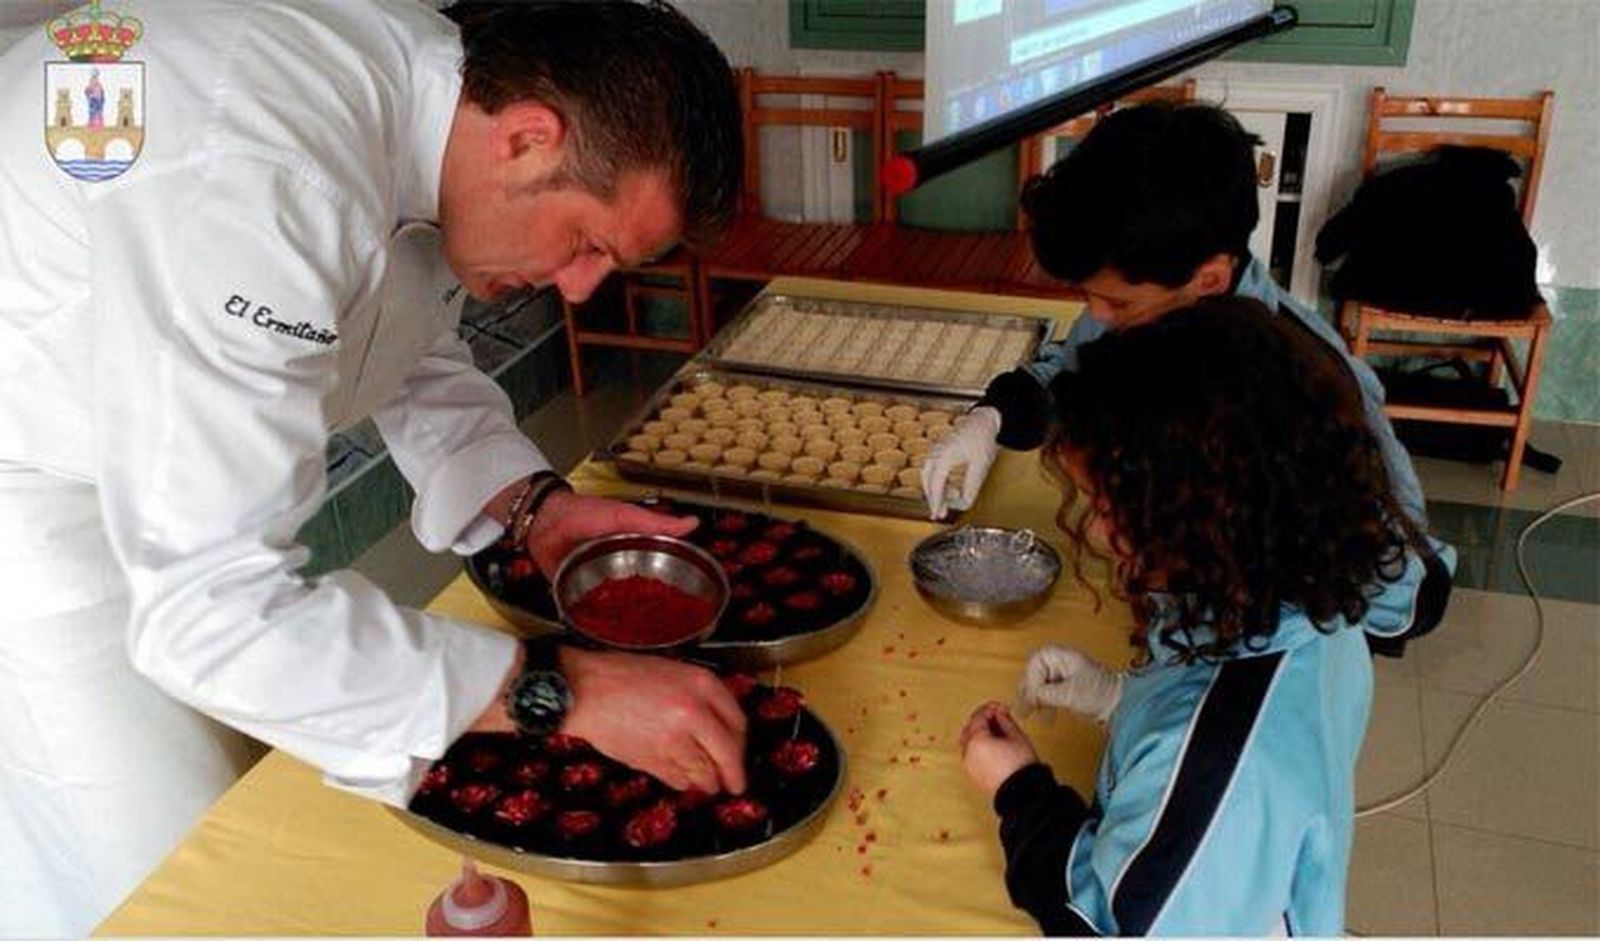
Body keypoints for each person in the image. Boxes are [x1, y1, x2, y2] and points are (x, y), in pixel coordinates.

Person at [0, 1, 744, 933]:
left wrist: (534, 508)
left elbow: (401, 339)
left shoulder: (432, 102)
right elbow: (208, 614)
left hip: (147, 451)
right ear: (529, 138)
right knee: (160, 865)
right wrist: (563, 692)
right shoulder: (259, 180)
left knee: (249, 789)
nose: (580, 287)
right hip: (34, 487)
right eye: (589, 243)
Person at [960, 298, 1455, 935]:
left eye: (1108, 508)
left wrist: (1020, 790)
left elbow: (1101, 922)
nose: (1101, 536)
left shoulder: (1220, 762)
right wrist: (1120, 698)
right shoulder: (1300, 599)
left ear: (1198, 523)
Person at [920, 101, 1451, 654]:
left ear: (1210, 279)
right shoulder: (1153, 305)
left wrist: (1246, 573)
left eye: (1116, 302)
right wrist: (996, 416)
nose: (1096, 315)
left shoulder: (1299, 388)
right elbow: (1071, 369)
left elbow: (1415, 593)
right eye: (1087, 296)